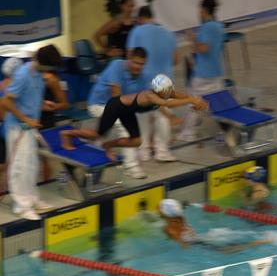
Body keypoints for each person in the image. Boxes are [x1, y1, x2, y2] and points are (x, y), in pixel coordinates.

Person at [61, 74, 208, 161]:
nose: (171, 92)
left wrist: (194, 98)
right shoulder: (151, 95)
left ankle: (108, 146)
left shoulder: (162, 92)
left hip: (127, 111)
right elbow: (166, 103)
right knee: (97, 135)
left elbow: (176, 95)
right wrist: (190, 101)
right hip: (115, 107)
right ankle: (67, 134)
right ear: (160, 90)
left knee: (136, 141)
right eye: (168, 90)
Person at [2, 45, 63, 220]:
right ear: (43, 63)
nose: (51, 71)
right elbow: (5, 102)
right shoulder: (23, 75)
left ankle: (32, 199)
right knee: (19, 167)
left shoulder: (38, 75)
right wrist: (25, 119)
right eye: (50, 67)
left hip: (30, 128)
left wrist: (43, 105)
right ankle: (21, 206)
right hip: (17, 129)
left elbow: (27, 98)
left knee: (31, 166)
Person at [86, 47, 151, 179]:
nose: (138, 67)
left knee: (104, 135)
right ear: (129, 59)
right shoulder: (117, 66)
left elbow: (146, 98)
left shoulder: (143, 77)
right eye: (135, 63)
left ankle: (94, 167)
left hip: (116, 106)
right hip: (98, 104)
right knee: (125, 127)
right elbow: (116, 98)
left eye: (141, 64)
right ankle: (131, 167)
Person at [127, 5, 180, 162]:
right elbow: (176, 60)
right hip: (165, 80)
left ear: (140, 19)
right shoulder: (168, 33)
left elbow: (131, 57)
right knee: (163, 117)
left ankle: (143, 152)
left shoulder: (136, 31)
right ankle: (162, 152)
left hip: (143, 80)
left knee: (142, 117)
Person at [179, 0, 225, 143]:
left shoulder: (207, 28)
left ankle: (188, 133)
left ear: (204, 10)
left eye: (200, 9)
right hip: (216, 72)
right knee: (218, 105)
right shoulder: (219, 27)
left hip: (203, 74)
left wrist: (192, 38)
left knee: (194, 103)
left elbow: (203, 48)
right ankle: (223, 131)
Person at [159, 199, 271, 252]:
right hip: (198, 237)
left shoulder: (168, 228)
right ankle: (257, 241)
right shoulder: (180, 218)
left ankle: (255, 243)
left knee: (225, 251)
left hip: (195, 242)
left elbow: (184, 245)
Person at [0, 58, 24, 195]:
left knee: (4, 165)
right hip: (12, 130)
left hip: (4, 130)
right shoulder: (19, 87)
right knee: (11, 165)